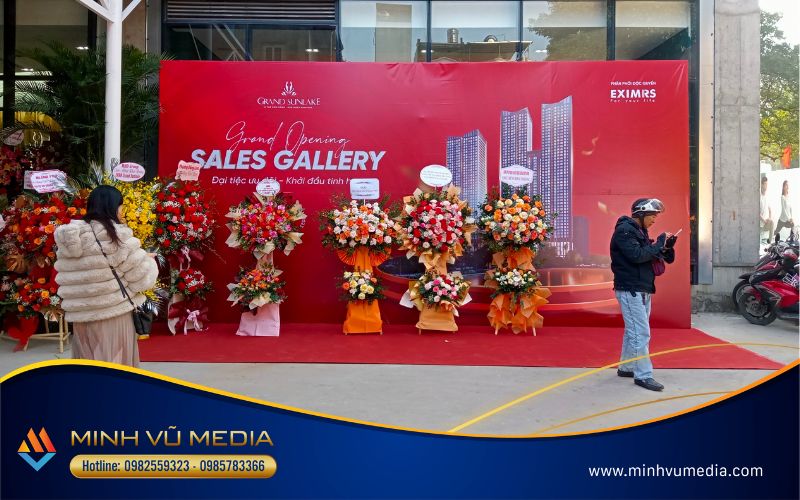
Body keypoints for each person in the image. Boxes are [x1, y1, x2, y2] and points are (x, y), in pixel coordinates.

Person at [54, 185, 158, 367]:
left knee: (88, 368)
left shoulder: (70, 237)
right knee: (116, 367)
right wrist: (148, 260)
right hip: (113, 314)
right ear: (113, 206)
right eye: (121, 205)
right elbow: (143, 280)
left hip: (81, 319)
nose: (122, 211)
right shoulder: (115, 235)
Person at [610, 198, 676, 392]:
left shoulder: (639, 232)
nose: (655, 219)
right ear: (641, 214)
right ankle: (643, 375)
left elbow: (652, 255)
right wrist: (659, 243)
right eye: (652, 216)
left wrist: (667, 247)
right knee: (640, 333)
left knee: (633, 331)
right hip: (630, 289)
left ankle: (627, 367)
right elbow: (637, 255)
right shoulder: (624, 231)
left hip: (642, 288)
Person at [760, 176, 774, 244]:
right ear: (762, 184)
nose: (766, 186)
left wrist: (769, 218)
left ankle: (770, 242)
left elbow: (770, 210)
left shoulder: (767, 196)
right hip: (759, 225)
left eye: (767, 184)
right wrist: (763, 220)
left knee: (772, 222)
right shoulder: (758, 196)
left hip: (765, 223)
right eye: (765, 184)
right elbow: (756, 212)